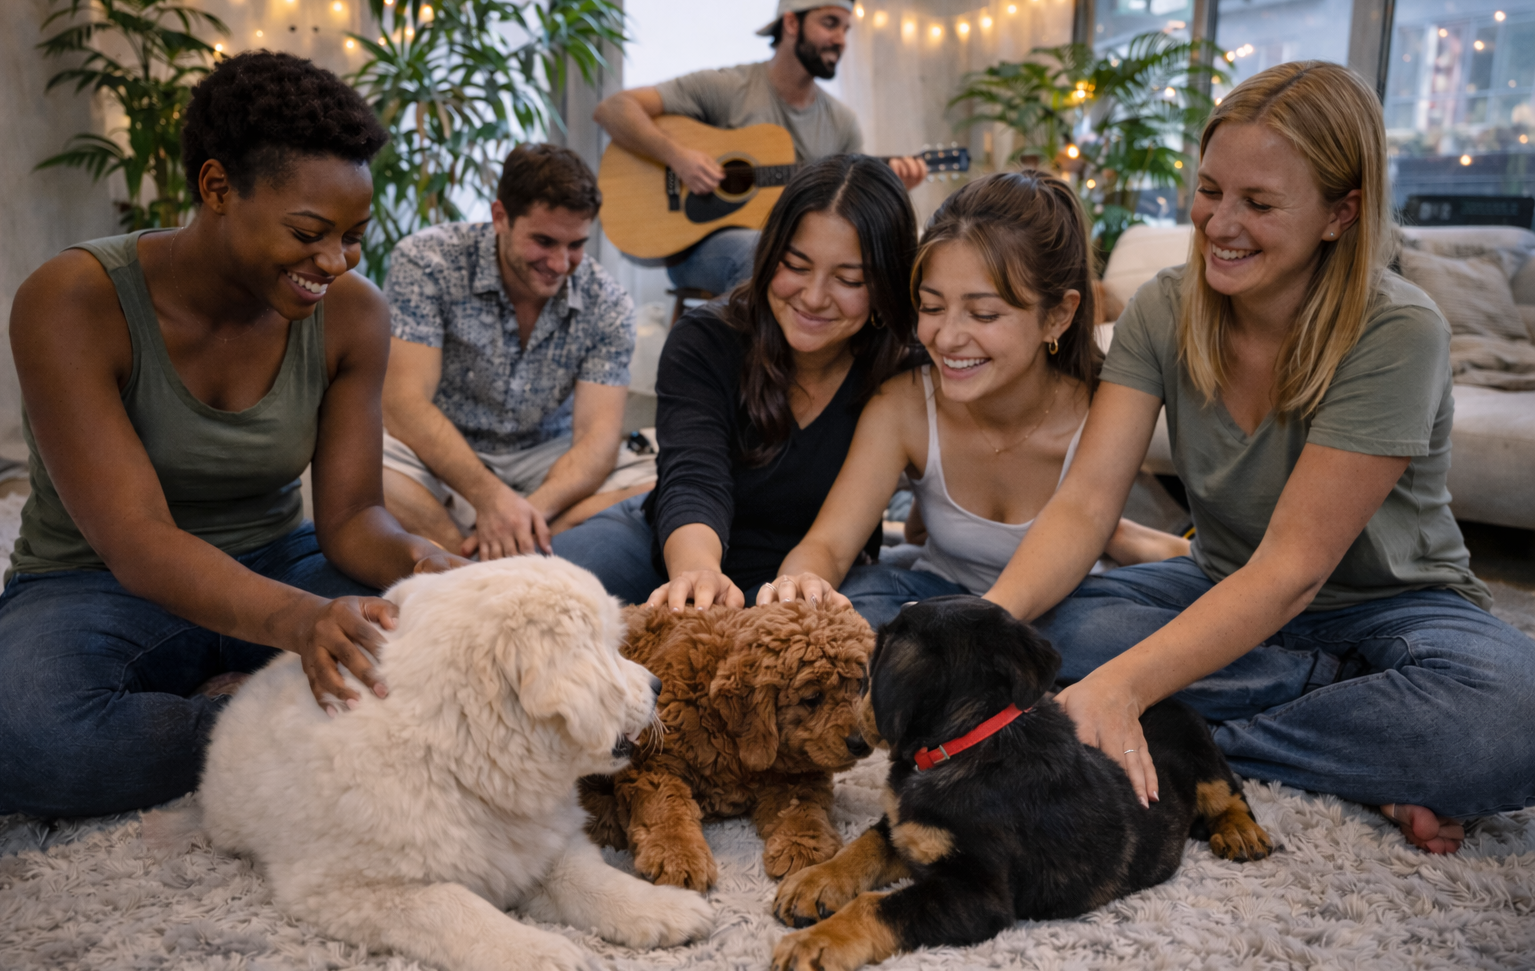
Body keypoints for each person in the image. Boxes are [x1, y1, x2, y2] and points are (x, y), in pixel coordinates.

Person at [977, 61, 1535, 855]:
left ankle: (1198, 731)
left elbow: (1295, 570)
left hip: (1394, 606)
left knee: (1513, 720)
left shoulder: (1398, 330)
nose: (1219, 223)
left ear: (1342, 213)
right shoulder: (1164, 307)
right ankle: (1353, 733)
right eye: (1210, 190)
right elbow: (1086, 504)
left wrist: (1125, 686)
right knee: (1060, 627)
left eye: (1260, 204)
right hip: (1222, 580)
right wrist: (994, 625)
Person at [0, 52, 465, 819]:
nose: (335, 262)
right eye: (310, 232)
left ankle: (267, 699)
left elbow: (350, 520)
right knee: (28, 738)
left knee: (459, 647)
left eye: (354, 236)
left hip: (281, 560)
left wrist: (423, 563)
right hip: (94, 585)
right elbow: (136, 538)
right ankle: (273, 716)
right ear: (217, 188)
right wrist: (303, 624)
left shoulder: (354, 313)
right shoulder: (74, 300)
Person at [767, 172, 1190, 628]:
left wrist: (977, 631)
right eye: (930, 307)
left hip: (1068, 606)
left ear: (1059, 316)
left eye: (984, 314)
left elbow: (1090, 520)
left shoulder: (1104, 409)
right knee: (860, 604)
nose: (947, 337)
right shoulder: (904, 405)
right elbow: (829, 544)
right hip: (935, 594)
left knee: (1109, 634)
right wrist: (799, 586)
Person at [552, 154, 918, 608]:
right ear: (768, 256)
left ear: (886, 286)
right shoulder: (706, 339)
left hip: (818, 575)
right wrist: (698, 575)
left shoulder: (905, 371)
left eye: (848, 279)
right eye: (796, 266)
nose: (814, 297)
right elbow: (693, 480)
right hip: (676, 544)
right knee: (532, 597)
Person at [380, 143, 642, 559]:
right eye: (544, 241)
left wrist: (523, 512)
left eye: (576, 245)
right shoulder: (427, 262)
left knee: (668, 477)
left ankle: (513, 539)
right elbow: (402, 405)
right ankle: (462, 557)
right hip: (441, 454)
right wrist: (489, 497)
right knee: (356, 464)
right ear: (500, 217)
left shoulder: (607, 301)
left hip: (546, 461)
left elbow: (597, 439)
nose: (560, 263)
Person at [592, 0, 927, 295]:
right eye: (829, 23)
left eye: (845, 29)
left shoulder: (842, 122)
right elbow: (613, 109)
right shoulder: (727, 88)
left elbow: (847, 207)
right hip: (697, 249)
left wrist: (888, 188)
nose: (841, 39)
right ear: (792, 24)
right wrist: (678, 157)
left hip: (795, 249)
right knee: (765, 255)